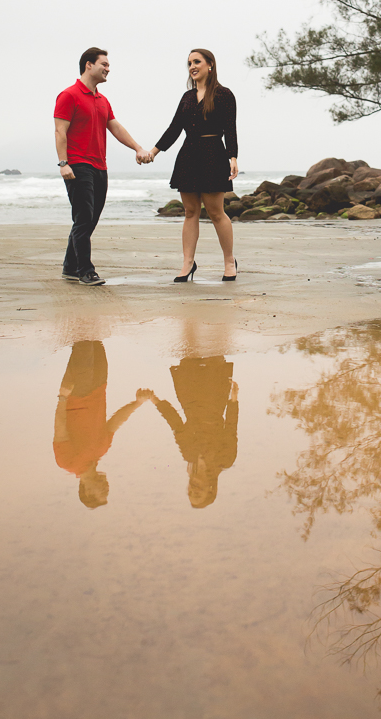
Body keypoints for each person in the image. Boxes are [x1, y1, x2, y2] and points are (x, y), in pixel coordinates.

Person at [141, 48, 238, 282]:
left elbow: (230, 128)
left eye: (197, 62)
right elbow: (174, 128)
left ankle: (228, 261)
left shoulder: (224, 94)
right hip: (188, 157)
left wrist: (232, 157)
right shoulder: (186, 97)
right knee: (190, 212)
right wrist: (154, 151)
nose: (192, 66)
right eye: (189, 63)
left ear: (210, 65)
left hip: (214, 154)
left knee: (216, 213)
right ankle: (188, 263)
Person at [54, 47, 149, 285]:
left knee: (88, 219)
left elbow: (115, 127)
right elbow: (60, 131)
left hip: (100, 167)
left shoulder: (102, 100)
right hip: (78, 165)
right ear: (88, 65)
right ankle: (86, 271)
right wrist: (63, 163)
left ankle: (69, 266)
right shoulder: (69, 95)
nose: (108, 69)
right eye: (104, 64)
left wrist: (137, 148)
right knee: (84, 218)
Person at [53, 340, 153, 508]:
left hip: (76, 394)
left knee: (83, 341)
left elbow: (60, 429)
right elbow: (116, 422)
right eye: (107, 490)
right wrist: (137, 403)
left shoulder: (68, 462)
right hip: (99, 386)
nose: (106, 487)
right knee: (96, 340)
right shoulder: (101, 450)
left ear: (87, 491)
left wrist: (63, 397)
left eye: (102, 491)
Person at [148, 356, 239, 508]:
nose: (193, 489)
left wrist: (154, 399)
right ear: (210, 490)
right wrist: (233, 400)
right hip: (214, 396)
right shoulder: (225, 460)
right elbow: (231, 427)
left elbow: (176, 424)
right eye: (198, 493)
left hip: (189, 396)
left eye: (190, 492)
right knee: (213, 350)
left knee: (189, 349)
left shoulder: (188, 455)